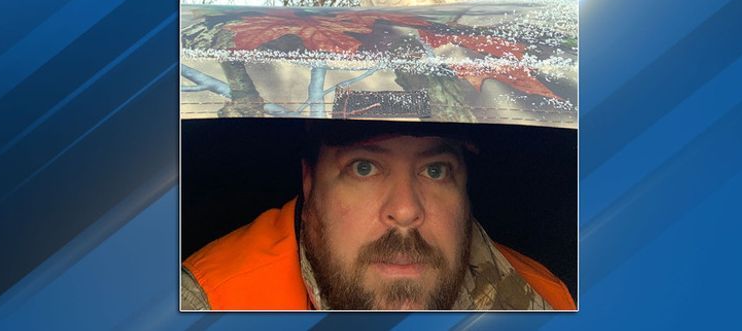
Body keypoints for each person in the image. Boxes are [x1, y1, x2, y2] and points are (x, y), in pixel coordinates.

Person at [180, 121, 575, 310]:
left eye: (435, 170)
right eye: (364, 167)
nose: (405, 211)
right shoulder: (207, 305)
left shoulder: (551, 302)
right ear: (309, 181)